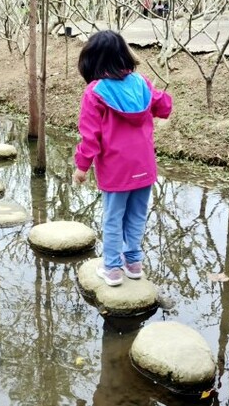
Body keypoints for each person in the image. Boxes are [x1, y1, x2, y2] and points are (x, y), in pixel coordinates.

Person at [72, 31, 172, 287]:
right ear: (124, 55)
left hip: (116, 170)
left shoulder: (95, 92)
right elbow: (163, 107)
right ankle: (134, 263)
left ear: (92, 61)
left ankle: (113, 269)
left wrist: (82, 167)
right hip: (144, 166)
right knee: (137, 215)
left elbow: (90, 136)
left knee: (114, 217)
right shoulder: (141, 83)